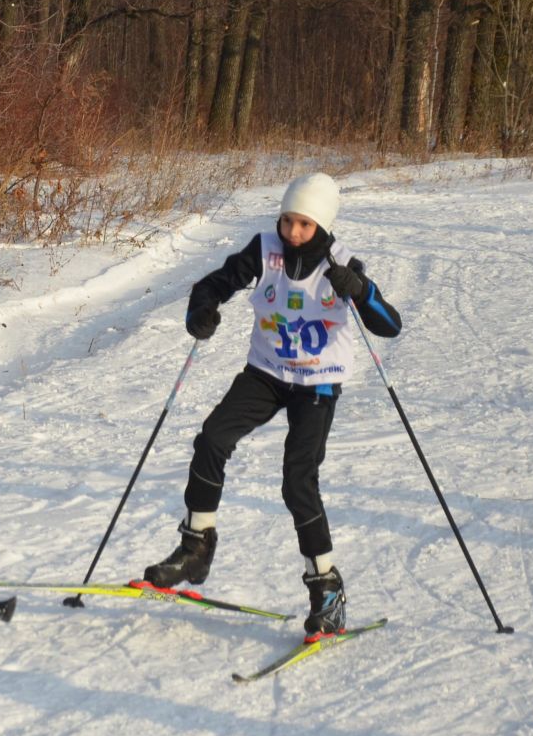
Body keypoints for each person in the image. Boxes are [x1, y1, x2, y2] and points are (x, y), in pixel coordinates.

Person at [142, 171, 403, 638]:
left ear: (322, 226)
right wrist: (200, 312)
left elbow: (389, 324)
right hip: (267, 372)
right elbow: (213, 285)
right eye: (287, 221)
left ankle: (326, 588)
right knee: (211, 439)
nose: (293, 233)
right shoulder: (265, 250)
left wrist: (360, 291)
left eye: (304, 225)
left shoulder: (341, 264)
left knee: (297, 480)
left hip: (318, 384)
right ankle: (196, 548)